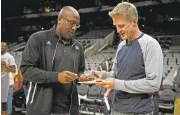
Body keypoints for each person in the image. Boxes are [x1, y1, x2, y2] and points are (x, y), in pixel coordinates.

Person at [90, 2, 163, 115]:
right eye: (116, 26)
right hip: (116, 108)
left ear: (134, 21)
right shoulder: (121, 46)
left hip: (138, 111)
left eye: (121, 25)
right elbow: (116, 75)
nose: (118, 30)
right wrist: (103, 75)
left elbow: (153, 84)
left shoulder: (150, 45)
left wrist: (116, 84)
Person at [20, 6, 88, 115]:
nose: (74, 28)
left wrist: (81, 77)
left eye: (77, 25)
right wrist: (56, 77)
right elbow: (26, 71)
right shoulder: (38, 39)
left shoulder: (78, 46)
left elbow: (80, 70)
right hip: (41, 109)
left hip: (69, 110)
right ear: (60, 19)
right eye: (72, 22)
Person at [1, 42, 17, 115]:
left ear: (6, 48)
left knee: (6, 101)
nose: (1, 47)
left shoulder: (10, 57)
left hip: (7, 82)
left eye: (3, 46)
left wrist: (6, 67)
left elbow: (14, 70)